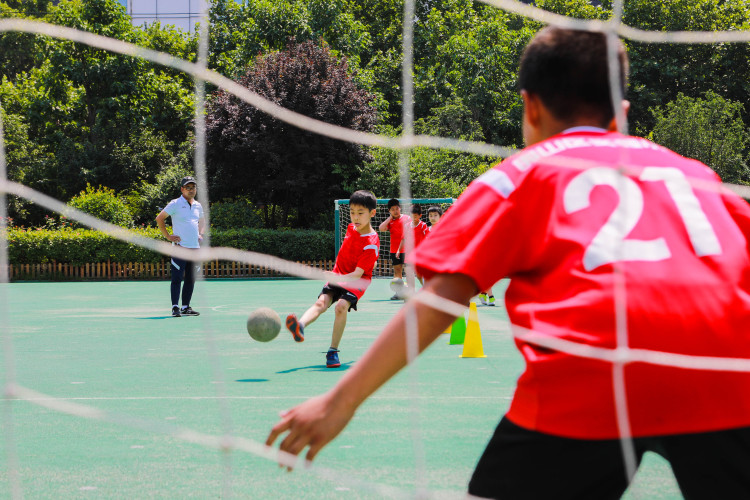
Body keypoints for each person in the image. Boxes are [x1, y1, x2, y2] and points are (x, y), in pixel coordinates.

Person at [266, 27, 750, 499]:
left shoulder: (522, 174)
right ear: (622, 113)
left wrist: (341, 400)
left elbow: (442, 300)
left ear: (530, 107)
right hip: (730, 374)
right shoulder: (697, 176)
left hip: (593, 372)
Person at [285, 190, 379, 368]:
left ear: (372, 213)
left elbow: (358, 274)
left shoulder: (371, 242)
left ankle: (333, 352)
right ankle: (300, 326)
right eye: (352, 212)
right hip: (339, 273)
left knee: (341, 307)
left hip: (356, 280)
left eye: (360, 213)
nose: (355, 217)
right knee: (322, 303)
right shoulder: (351, 228)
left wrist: (337, 276)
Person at [156, 176, 205, 318]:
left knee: (191, 279)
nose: (191, 190)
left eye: (193, 187)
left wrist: (200, 234)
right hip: (180, 247)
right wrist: (167, 236)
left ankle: (185, 307)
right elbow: (160, 218)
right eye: (188, 187)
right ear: (182, 189)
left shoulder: (198, 205)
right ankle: (175, 307)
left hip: (195, 248)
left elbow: (202, 220)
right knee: (177, 278)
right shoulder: (175, 203)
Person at [378, 198, 409, 299]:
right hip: (394, 251)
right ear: (389, 211)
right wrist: (389, 218)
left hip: (407, 250)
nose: (395, 211)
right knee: (397, 271)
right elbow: (381, 228)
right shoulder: (390, 221)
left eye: (397, 208)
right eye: (393, 209)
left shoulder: (407, 218)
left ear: (400, 208)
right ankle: (398, 293)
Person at [409, 204, 430, 286]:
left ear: (420, 216)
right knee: (418, 274)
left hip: (423, 253)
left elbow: (428, 237)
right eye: (412, 216)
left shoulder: (423, 225)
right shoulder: (408, 226)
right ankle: (425, 287)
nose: (413, 218)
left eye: (415, 216)